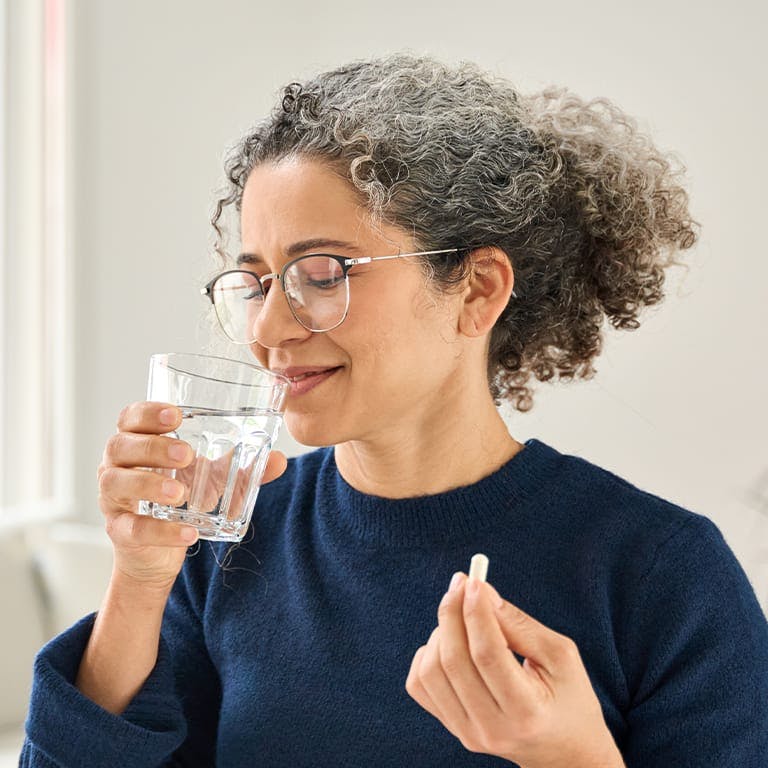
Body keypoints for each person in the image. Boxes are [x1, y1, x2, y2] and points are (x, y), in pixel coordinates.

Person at [20, 54, 768, 767]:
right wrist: (141, 576)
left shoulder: (662, 573)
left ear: (477, 290)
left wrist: (566, 755)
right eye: (255, 281)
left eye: (322, 273)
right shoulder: (230, 541)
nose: (268, 329)